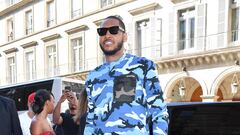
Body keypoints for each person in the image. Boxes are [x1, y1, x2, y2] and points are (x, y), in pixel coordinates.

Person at [84, 15, 168, 134]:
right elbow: (90, 120)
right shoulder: (93, 76)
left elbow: (159, 112)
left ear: (125, 36)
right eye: (102, 32)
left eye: (114, 30)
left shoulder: (143, 66)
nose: (107, 35)